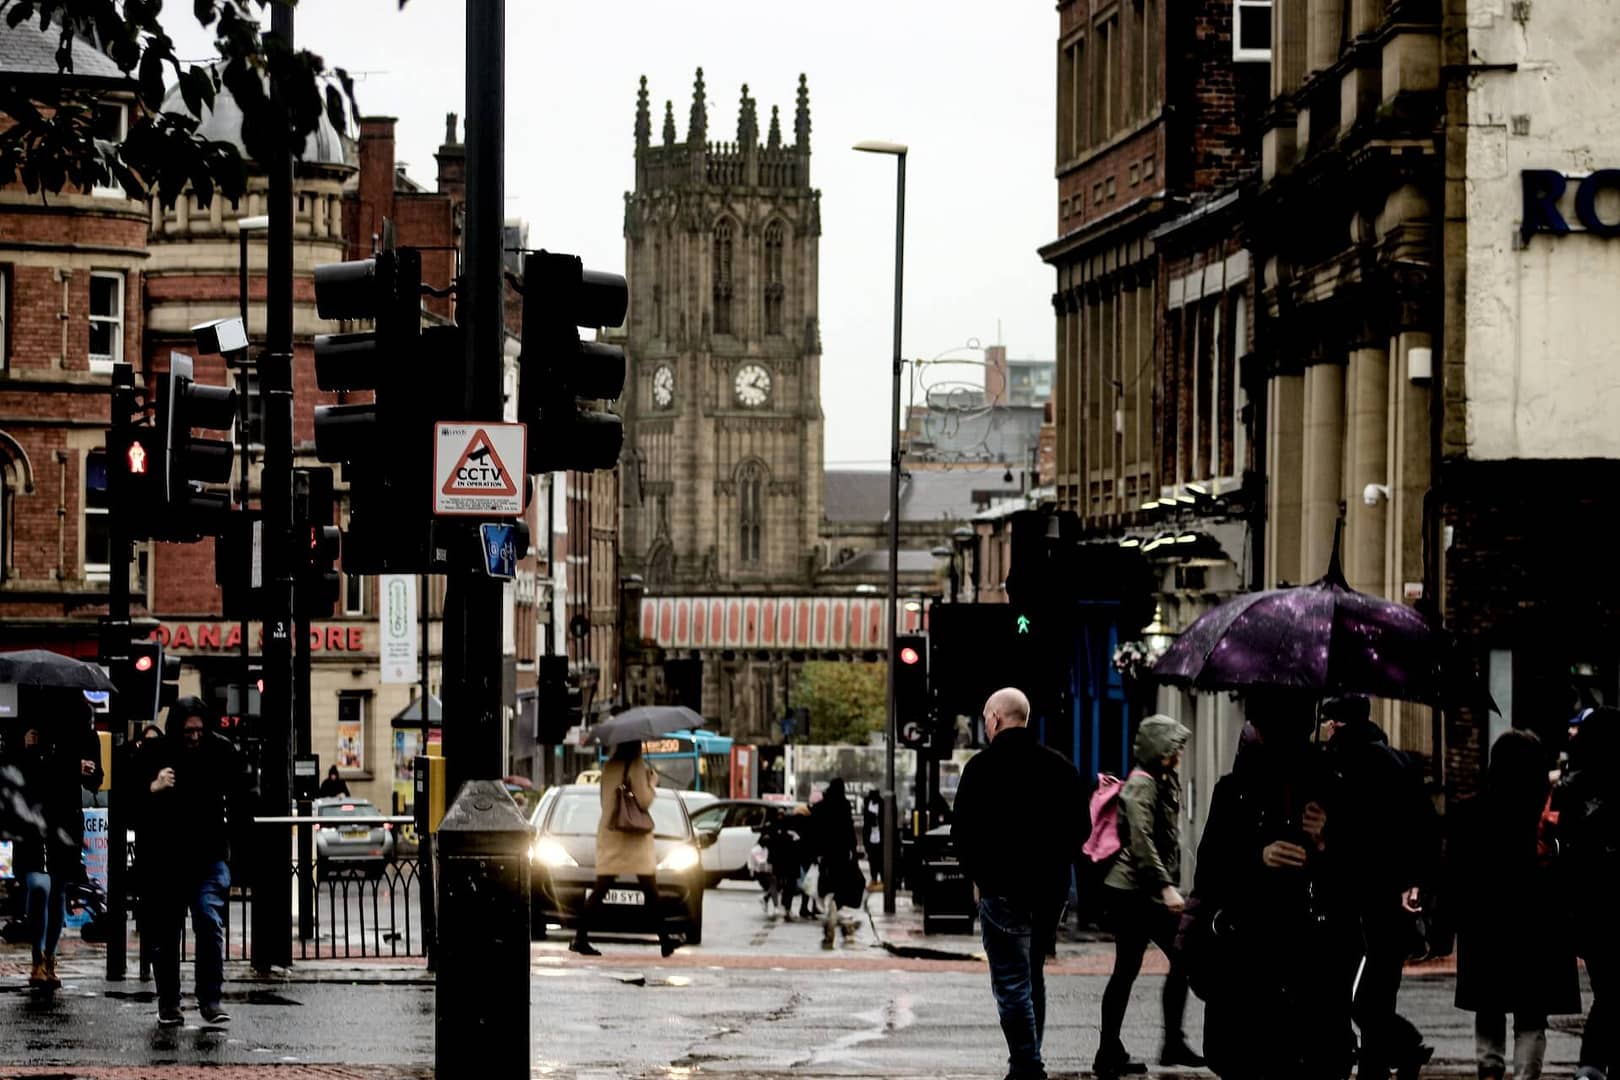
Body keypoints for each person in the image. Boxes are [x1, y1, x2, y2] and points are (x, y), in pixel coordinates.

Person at [1189, 689, 1353, 1080]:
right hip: (1251, 959)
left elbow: (1355, 876)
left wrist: (1324, 841)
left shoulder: (1329, 788)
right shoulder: (1236, 790)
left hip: (1312, 959)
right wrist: (1257, 857)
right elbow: (1211, 874)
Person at [952, 687, 1087, 1080]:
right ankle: (1030, 1055)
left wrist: (980, 876)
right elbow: (1081, 830)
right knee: (1033, 977)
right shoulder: (1060, 766)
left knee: (1012, 983)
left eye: (985, 719)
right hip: (1049, 892)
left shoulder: (981, 768)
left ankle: (1027, 1065)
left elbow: (963, 834)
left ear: (994, 719)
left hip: (1002, 891)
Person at [1448, 729, 1580, 1080]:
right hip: (1539, 925)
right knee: (1531, 1016)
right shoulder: (1549, 814)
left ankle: (1489, 1071)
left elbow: (1455, 873)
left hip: (1485, 925)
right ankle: (1526, 1076)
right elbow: (1569, 870)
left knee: (1488, 1007)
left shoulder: (1470, 811)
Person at [1320, 694, 1436, 1080]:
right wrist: (1415, 881)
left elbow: (1341, 837)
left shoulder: (1339, 765)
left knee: (1357, 998)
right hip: (1391, 898)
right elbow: (1425, 829)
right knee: (1379, 993)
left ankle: (1406, 1045)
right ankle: (1379, 1064)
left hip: (1355, 897)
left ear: (1337, 723)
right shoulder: (1399, 761)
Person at [1096, 715, 1201, 1075]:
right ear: (1160, 749)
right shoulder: (1141, 786)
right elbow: (1141, 841)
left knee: (1136, 968)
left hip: (1141, 891)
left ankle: (1126, 1047)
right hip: (1134, 892)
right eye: (1175, 746)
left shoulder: (1160, 780)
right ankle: (1122, 1048)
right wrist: (1165, 886)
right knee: (1164, 960)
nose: (1181, 751)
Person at [138, 695, 252, 1027]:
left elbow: (243, 796)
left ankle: (210, 999)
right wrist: (153, 787)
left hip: (208, 855)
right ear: (177, 728)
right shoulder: (155, 753)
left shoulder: (222, 751)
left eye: (199, 730)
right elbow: (130, 805)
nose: (194, 736)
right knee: (167, 932)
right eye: (188, 730)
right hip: (167, 859)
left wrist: (238, 852)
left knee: (208, 920)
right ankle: (170, 1002)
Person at [7, 698, 102, 990]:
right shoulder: (28, 724)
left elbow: (96, 779)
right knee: (38, 886)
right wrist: (21, 746)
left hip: (64, 818)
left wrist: (89, 771)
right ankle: (37, 955)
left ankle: (48, 958)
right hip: (33, 817)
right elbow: (10, 768)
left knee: (58, 889)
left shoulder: (84, 729)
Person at [1554, 706, 1619, 1080]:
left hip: (1588, 908)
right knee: (1613, 993)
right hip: (1606, 902)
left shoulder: (1568, 788)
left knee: (1608, 990)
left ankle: (1592, 1066)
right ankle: (1593, 1064)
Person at [571, 739, 676, 958]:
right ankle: (665, 940)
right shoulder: (636, 765)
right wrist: (652, 783)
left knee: (601, 888)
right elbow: (644, 801)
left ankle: (580, 937)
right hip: (633, 836)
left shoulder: (609, 766)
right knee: (650, 889)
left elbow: (605, 801)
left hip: (610, 832)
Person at [809, 777, 863, 949]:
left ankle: (833, 914)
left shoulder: (821, 807)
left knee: (827, 887)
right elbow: (849, 830)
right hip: (841, 854)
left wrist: (815, 853)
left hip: (826, 855)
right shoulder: (844, 805)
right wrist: (853, 851)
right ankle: (841, 917)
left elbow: (814, 831)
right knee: (843, 887)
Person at [862, 786, 884, 885]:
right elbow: (866, 822)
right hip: (871, 835)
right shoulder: (867, 804)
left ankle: (882, 879)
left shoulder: (882, 804)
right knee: (872, 859)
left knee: (880, 859)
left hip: (880, 835)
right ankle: (874, 878)